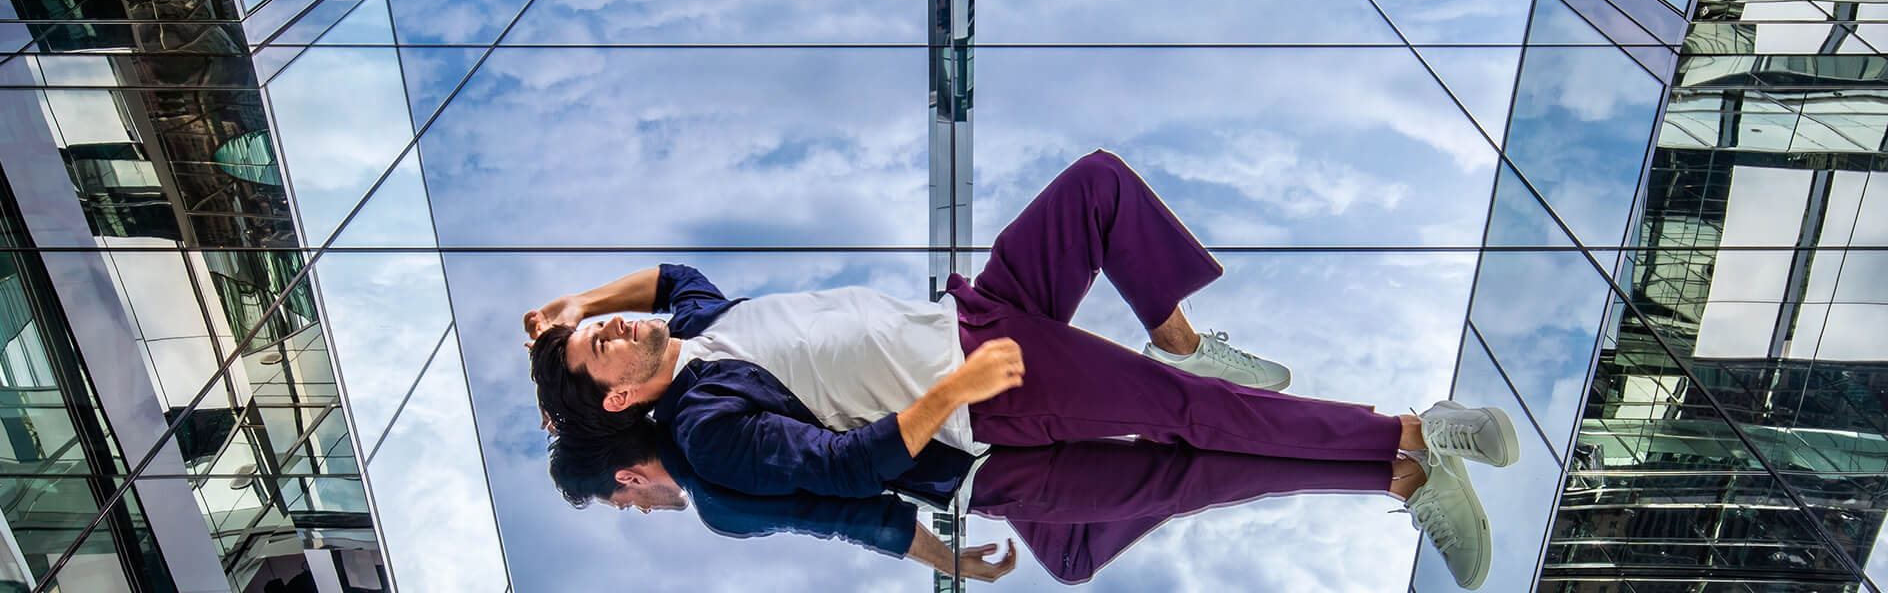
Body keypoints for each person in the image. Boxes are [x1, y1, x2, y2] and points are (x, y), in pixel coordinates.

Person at [527, 149, 1517, 588]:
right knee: (1192, 427)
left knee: (1096, 189)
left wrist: (577, 305)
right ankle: (1413, 445)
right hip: (983, 397)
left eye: (606, 326)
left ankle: (1192, 347)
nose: (614, 330)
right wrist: (953, 392)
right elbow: (840, 471)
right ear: (618, 398)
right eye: (598, 351)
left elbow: (675, 272)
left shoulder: (702, 328)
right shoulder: (708, 428)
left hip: (974, 317)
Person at [549, 421, 1446, 585]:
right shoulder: (706, 381)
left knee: (1184, 471)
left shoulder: (715, 494)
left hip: (981, 469)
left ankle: (1393, 465)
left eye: (623, 504)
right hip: (983, 457)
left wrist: (950, 557)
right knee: (1074, 557)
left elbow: (848, 508)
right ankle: (1386, 457)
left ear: (629, 477)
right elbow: (685, 289)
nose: (639, 511)